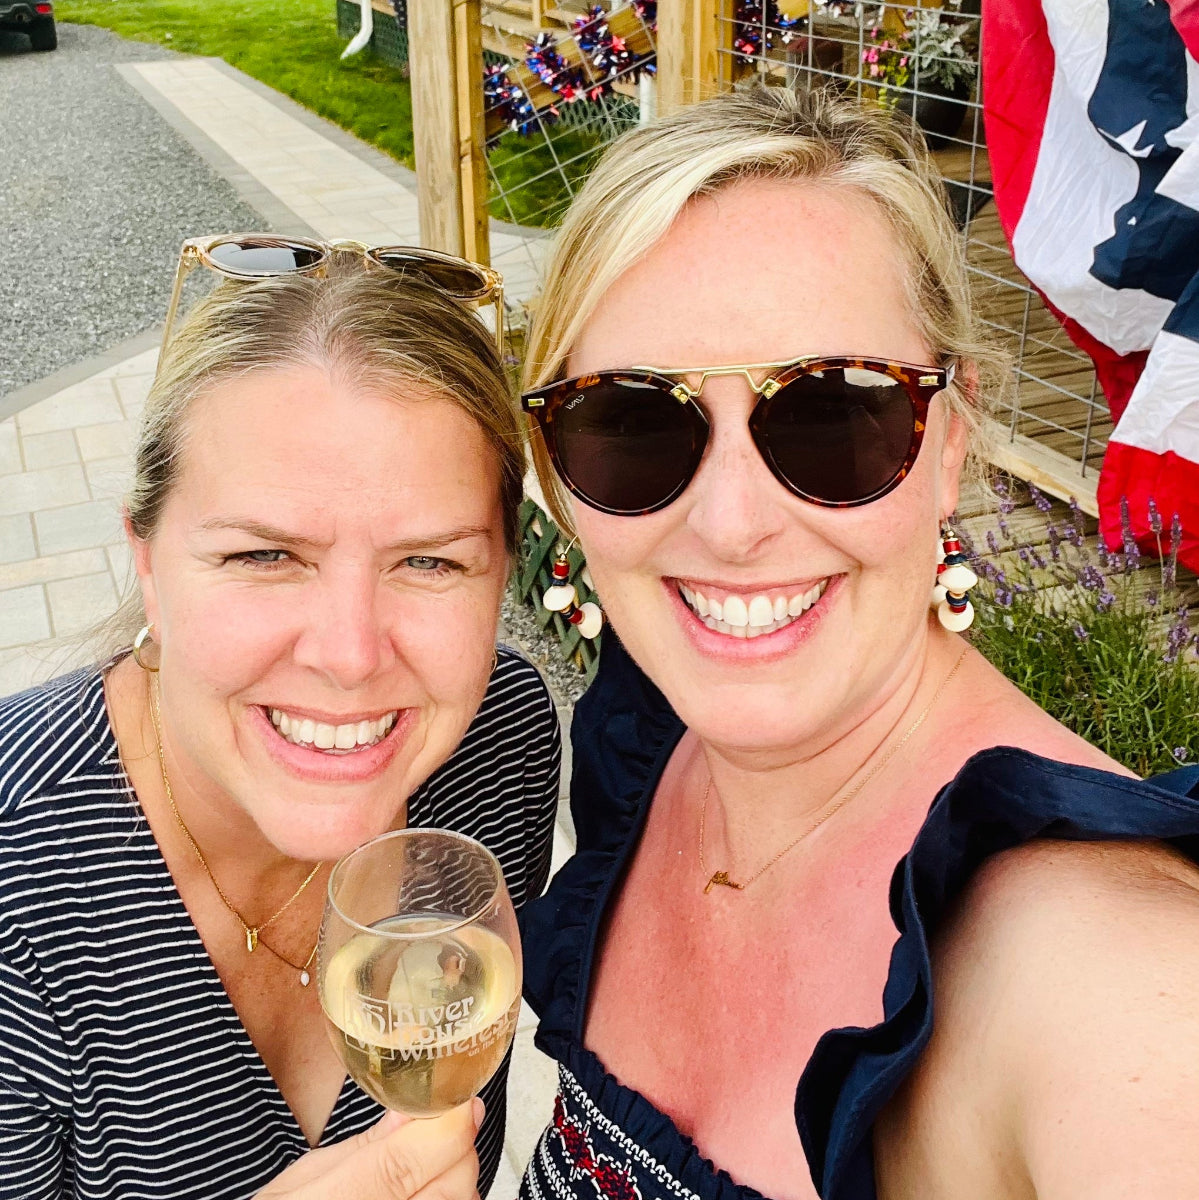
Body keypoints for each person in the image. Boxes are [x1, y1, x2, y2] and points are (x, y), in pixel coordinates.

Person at [516, 86, 1199, 1200]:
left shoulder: (1098, 982)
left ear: (947, 446)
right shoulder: (649, 742)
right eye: (631, 423)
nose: (730, 525)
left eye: (832, 414)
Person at [0, 241, 561, 1199]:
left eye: (430, 562)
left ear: (501, 571)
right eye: (264, 556)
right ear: (147, 556)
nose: (348, 657)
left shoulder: (501, 740)